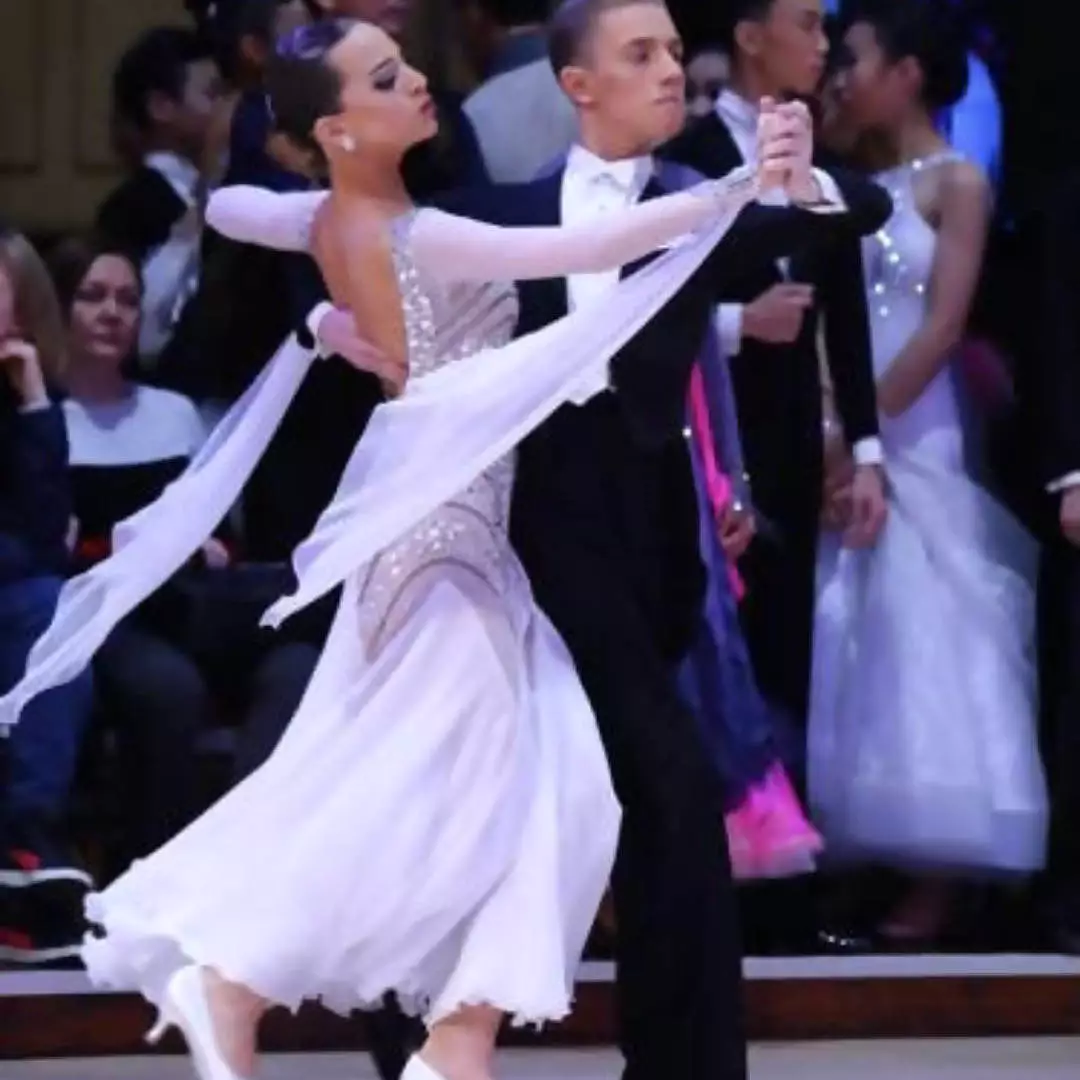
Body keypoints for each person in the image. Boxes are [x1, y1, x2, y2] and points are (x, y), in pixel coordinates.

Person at [0, 14, 860, 1080]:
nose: (420, 85)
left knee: (496, 794)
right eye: (387, 77)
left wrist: (323, 318)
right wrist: (734, 189)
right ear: (340, 128)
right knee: (426, 790)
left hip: (461, 536)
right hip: (453, 546)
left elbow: (232, 203)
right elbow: (583, 248)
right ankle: (252, 986)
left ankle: (451, 1041)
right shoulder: (432, 231)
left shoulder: (336, 216)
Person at [264, 3, 888, 1075]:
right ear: (576, 85)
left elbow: (853, 214)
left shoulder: (705, 202)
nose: (667, 73)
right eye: (637, 56)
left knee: (621, 803)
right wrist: (323, 324)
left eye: (669, 52)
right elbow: (322, 244)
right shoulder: (495, 213)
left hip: (646, 542)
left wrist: (798, 179)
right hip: (517, 536)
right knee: (656, 793)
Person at [807, 0, 1047, 946]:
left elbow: (943, 325)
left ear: (908, 71)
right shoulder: (844, 180)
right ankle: (861, 852)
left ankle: (940, 873)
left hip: (916, 417)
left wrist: (860, 431)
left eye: (856, 57)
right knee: (851, 615)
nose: (840, 74)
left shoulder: (955, 182)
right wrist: (829, 420)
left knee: (927, 619)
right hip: (843, 413)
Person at [662, 0, 888, 735]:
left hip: (791, 438)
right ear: (751, 37)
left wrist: (865, 450)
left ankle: (785, 812)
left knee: (793, 640)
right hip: (705, 437)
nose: (822, 46)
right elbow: (645, 297)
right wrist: (737, 323)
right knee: (715, 639)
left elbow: (844, 315)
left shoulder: (822, 166)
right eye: (807, 25)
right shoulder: (683, 154)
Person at [0, 228, 94, 966]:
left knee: (48, 607)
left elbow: (44, 537)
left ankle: (28, 842)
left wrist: (34, 406)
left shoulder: (32, 396)